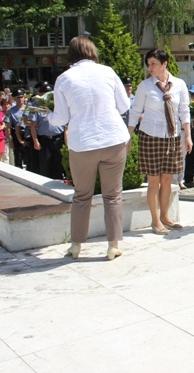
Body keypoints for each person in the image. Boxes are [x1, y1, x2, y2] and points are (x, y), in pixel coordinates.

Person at [47, 37, 130, 261]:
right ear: (93, 52)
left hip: (83, 143)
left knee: (82, 196)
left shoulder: (64, 78)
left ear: (71, 54)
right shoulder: (108, 72)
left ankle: (76, 245)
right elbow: (124, 106)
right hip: (113, 139)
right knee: (113, 195)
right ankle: (113, 245)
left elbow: (60, 118)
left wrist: (47, 114)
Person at [128, 49, 192, 235]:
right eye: (148, 64)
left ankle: (165, 216)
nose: (150, 68)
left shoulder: (179, 84)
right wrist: (129, 135)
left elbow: (184, 111)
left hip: (172, 136)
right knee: (153, 180)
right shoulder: (145, 86)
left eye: (153, 64)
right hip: (151, 135)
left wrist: (187, 135)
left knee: (167, 179)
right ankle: (155, 221)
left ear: (164, 64)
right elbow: (135, 111)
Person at [27, 84, 66, 180]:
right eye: (45, 93)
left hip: (58, 139)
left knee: (59, 165)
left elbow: (66, 127)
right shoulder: (37, 107)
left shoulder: (58, 106)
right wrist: (35, 141)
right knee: (45, 166)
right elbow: (33, 126)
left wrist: (66, 142)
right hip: (45, 140)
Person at [8, 90, 29, 169]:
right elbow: (8, 127)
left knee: (30, 160)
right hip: (17, 136)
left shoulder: (29, 109)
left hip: (29, 135)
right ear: (14, 99)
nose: (20, 99)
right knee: (18, 160)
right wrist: (10, 141)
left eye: (21, 97)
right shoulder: (10, 111)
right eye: (18, 98)